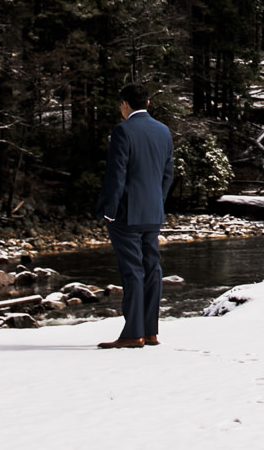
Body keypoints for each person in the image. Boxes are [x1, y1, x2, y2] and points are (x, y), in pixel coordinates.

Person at [95, 83, 176, 350]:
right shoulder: (163, 131)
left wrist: (108, 209)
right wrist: (157, 202)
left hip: (126, 212)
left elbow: (116, 174)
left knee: (133, 272)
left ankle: (133, 333)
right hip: (153, 211)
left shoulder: (123, 131)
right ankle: (150, 331)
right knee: (152, 269)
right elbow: (167, 173)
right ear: (148, 103)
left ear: (124, 105)